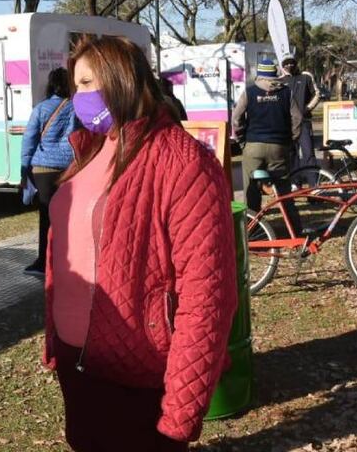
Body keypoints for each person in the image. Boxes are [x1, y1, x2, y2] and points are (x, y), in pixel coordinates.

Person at [44, 34, 238, 452]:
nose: (79, 97)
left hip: (140, 374)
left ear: (122, 80)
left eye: (87, 83)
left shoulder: (184, 162)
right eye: (77, 85)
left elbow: (208, 296)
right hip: (78, 365)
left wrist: (182, 409)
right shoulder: (91, 150)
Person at [20, 67, 78, 277]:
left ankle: (44, 262)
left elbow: (30, 139)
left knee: (47, 216)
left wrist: (25, 167)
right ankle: (68, 258)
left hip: (43, 169)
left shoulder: (41, 108)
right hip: (69, 169)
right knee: (67, 216)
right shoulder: (76, 107)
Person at [232, 57, 302, 212]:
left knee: (251, 187)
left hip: (253, 147)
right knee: (283, 189)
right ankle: (293, 227)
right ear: (275, 74)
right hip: (279, 147)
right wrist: (291, 140)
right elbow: (297, 118)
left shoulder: (249, 92)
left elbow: (236, 119)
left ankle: (254, 225)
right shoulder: (286, 92)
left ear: (259, 74)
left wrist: (242, 141)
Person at [279, 53, 321, 182]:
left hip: (304, 122)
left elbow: (317, 94)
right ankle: (295, 183)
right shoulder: (280, 81)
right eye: (286, 63)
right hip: (288, 125)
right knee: (292, 154)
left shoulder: (306, 77)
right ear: (282, 66)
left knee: (308, 153)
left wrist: (307, 108)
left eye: (292, 62)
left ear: (296, 63)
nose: (289, 65)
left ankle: (314, 185)